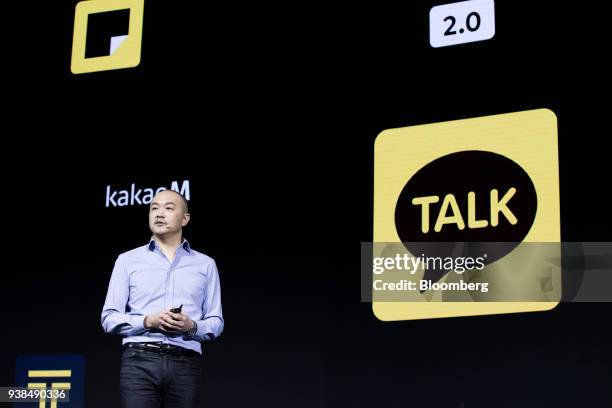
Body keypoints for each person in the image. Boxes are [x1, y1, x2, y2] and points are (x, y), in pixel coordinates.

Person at [101, 189, 224, 408]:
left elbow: (216, 321)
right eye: (154, 208)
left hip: (185, 362)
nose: (159, 213)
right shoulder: (127, 260)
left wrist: (191, 326)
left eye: (168, 208)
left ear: (185, 219)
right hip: (139, 361)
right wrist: (148, 321)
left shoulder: (205, 264)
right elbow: (109, 318)